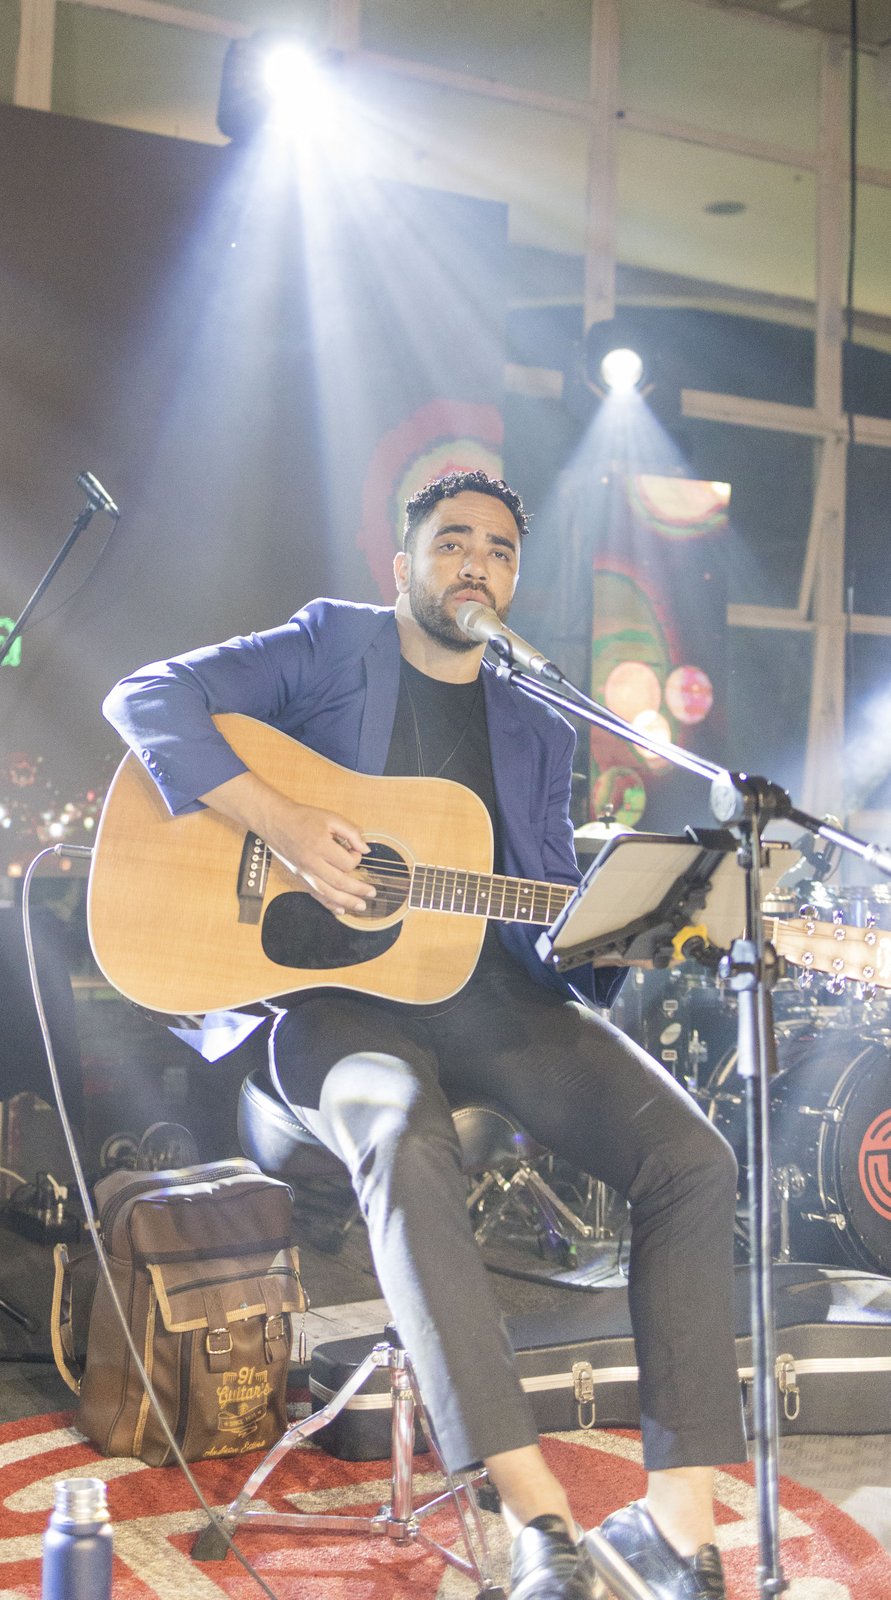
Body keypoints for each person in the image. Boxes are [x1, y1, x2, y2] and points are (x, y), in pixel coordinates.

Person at [103, 470, 744, 1600]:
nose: (475, 563)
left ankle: (672, 1521)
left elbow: (541, 914)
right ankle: (536, 1518)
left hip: (492, 1003)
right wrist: (281, 821)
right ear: (401, 564)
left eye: (498, 550)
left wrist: (618, 936)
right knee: (405, 1134)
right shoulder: (327, 645)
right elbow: (145, 696)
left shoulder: (538, 718)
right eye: (451, 542)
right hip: (328, 1007)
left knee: (691, 1158)